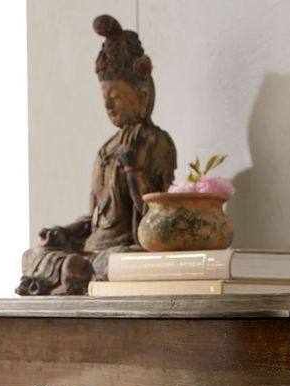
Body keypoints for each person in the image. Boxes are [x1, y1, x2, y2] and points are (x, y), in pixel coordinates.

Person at [17, 14, 176, 296]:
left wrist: (133, 172)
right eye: (104, 97)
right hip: (92, 248)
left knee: (124, 263)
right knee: (33, 254)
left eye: (114, 96)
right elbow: (95, 218)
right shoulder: (107, 148)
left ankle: (75, 275)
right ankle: (74, 272)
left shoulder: (156, 141)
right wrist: (64, 232)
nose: (107, 105)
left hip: (122, 248)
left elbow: (156, 217)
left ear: (141, 94)